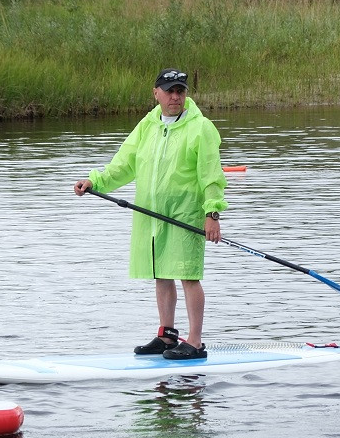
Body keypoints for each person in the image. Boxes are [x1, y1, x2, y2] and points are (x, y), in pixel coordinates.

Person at [73, 69, 226, 360]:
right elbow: (125, 162)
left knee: (188, 275)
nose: (175, 96)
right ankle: (168, 336)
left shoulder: (201, 127)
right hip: (151, 213)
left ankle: (194, 342)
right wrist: (97, 181)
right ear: (155, 93)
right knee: (161, 273)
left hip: (185, 212)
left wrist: (212, 213)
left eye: (180, 91)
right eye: (169, 91)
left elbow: (212, 175)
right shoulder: (147, 125)